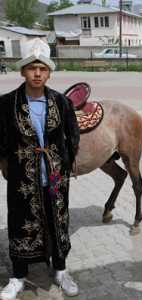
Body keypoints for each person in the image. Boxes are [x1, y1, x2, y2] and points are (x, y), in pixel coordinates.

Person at [0, 38, 80, 299]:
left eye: (43, 68)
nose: (37, 73)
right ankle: (18, 276)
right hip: (22, 176)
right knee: (20, 222)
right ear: (22, 71)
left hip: (55, 177)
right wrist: (4, 164)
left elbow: (73, 135)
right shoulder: (6, 103)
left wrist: (66, 163)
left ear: (49, 72)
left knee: (59, 221)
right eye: (32, 68)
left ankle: (60, 270)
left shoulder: (60, 102)